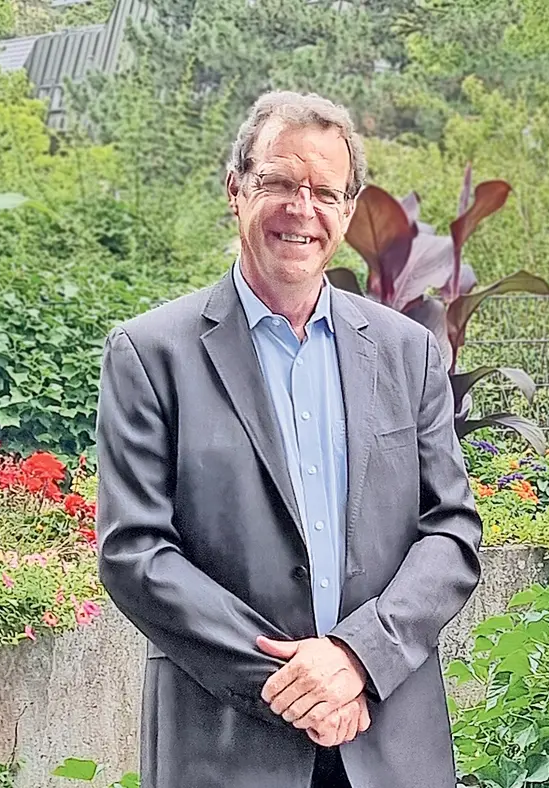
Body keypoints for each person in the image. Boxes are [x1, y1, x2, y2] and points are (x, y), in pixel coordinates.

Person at [94, 91, 482, 788]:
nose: (301, 209)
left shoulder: (408, 352)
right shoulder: (151, 354)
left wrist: (357, 657)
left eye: (324, 192)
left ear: (346, 210)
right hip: (227, 743)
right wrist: (293, 680)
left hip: (388, 739)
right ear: (236, 189)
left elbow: (450, 533)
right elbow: (136, 553)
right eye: (279, 182)